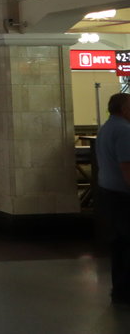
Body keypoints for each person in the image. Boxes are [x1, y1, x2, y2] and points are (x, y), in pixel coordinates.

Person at [96, 92, 130, 307]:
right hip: (124, 197)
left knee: (118, 244)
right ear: (124, 109)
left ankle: (119, 291)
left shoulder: (106, 128)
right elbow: (127, 167)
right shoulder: (125, 131)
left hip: (107, 194)